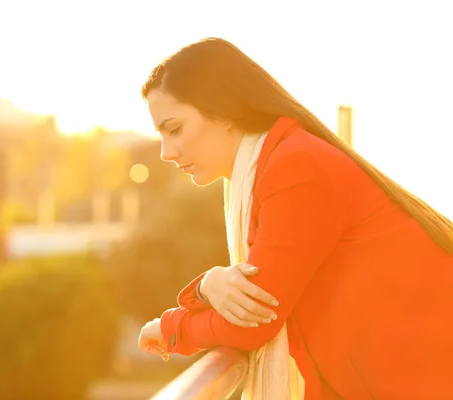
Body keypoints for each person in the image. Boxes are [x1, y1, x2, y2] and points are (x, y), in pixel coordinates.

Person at [137, 37, 453, 400]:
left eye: (174, 129)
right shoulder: (280, 162)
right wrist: (207, 287)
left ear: (224, 112)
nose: (165, 152)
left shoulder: (296, 167)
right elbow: (264, 295)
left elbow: (254, 321)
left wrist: (171, 327)